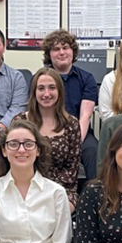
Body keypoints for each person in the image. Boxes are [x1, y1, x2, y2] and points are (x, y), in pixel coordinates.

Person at [15, 67, 81, 211]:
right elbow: (13, 164)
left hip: (61, 189)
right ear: (34, 92)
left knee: (59, 210)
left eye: (52, 88)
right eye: (41, 88)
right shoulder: (20, 121)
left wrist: (48, 192)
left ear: (59, 92)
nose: (46, 94)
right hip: (24, 187)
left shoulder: (72, 124)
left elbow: (71, 170)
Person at [42, 29, 99, 179]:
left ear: (72, 51)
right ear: (49, 55)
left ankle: (94, 196)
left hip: (81, 132)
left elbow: (85, 116)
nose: (61, 52)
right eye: (56, 49)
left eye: (65, 47)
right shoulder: (41, 79)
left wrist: (74, 142)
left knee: (93, 151)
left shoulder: (87, 79)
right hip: (48, 130)